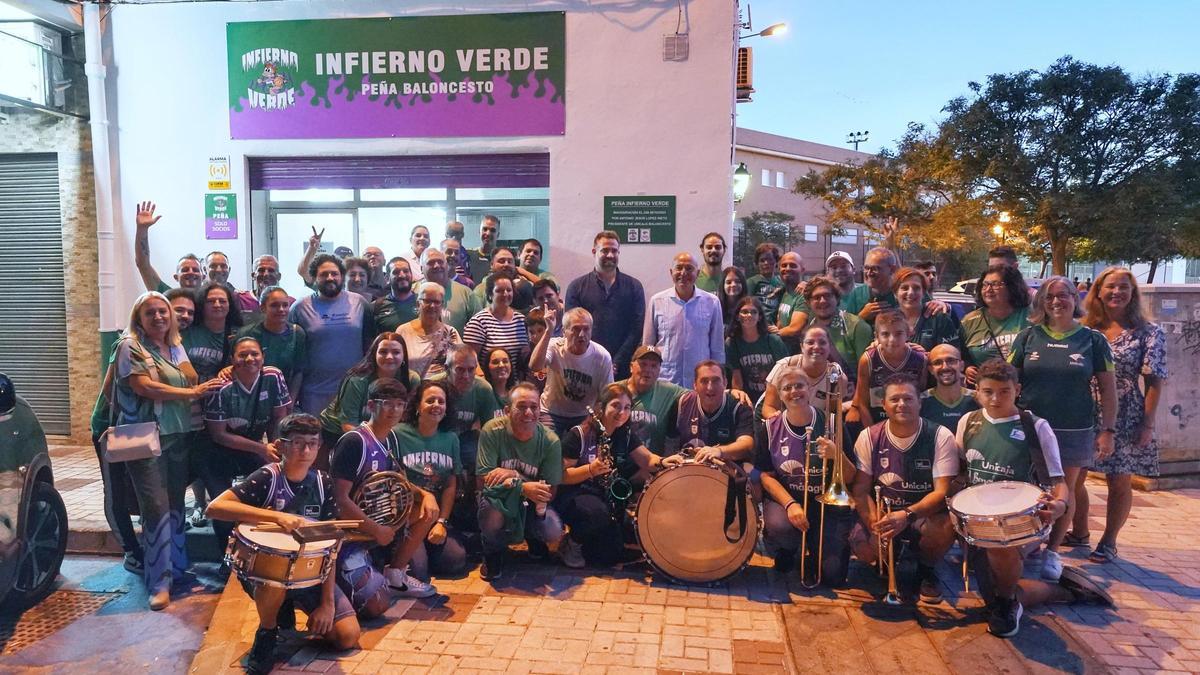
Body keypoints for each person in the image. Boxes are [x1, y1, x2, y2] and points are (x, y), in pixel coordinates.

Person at [954, 359, 1112, 638]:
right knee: (995, 577)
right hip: (978, 520)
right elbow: (960, 471)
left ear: (1018, 389)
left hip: (1020, 522)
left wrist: (1060, 505)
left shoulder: (1035, 427)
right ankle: (1014, 595)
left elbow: (1059, 482)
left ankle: (1048, 595)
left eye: (1004, 391)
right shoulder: (968, 421)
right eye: (987, 391)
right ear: (976, 390)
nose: (995, 398)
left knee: (1000, 558)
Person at [206, 413, 360, 674]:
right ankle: (266, 632)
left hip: (312, 572)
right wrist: (278, 516)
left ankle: (286, 608)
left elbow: (331, 545)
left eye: (313, 442)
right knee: (276, 575)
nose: (306, 449)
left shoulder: (323, 483)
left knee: (347, 636)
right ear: (282, 445)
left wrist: (327, 605)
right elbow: (215, 507)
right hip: (266, 574)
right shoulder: (267, 476)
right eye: (298, 442)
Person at [111, 292, 222, 609]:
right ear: (139, 318)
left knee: (175, 506)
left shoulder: (174, 346)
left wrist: (195, 384)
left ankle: (177, 570)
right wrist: (194, 391)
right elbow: (144, 386)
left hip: (178, 436)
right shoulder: (129, 347)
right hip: (147, 438)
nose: (159, 317)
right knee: (155, 509)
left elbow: (190, 376)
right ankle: (158, 582)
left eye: (164, 311)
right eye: (151, 313)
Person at [1008, 276, 1117, 581]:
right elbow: (1008, 379)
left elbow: (1109, 391)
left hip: (1074, 428)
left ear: (1075, 298)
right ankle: (1023, 545)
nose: (1057, 301)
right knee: (1025, 489)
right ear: (1041, 302)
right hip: (1030, 426)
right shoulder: (1027, 337)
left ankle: (1052, 551)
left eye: (1064, 295)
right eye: (1050, 296)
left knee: (1062, 492)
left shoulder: (1093, 340)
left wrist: (1108, 430)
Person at [1078, 266, 1167, 563]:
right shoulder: (1084, 329)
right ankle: (1079, 531)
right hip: (1082, 410)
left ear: (1133, 293)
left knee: (1118, 479)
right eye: (1110, 287)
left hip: (1126, 411)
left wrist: (1147, 423)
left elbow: (1154, 380)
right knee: (1075, 476)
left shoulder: (1149, 332)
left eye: (1123, 287)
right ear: (1098, 292)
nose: (1117, 292)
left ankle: (1109, 541)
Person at [330, 379, 439, 611]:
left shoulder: (388, 438)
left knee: (426, 509)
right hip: (350, 534)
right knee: (377, 607)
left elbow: (396, 480)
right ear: (371, 406)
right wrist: (375, 529)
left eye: (400, 405)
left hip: (377, 520)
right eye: (387, 404)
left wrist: (426, 495)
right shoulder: (354, 442)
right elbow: (340, 500)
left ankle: (395, 575)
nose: (394, 410)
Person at [850, 375, 959, 603]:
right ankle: (885, 560)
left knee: (946, 526)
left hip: (920, 515)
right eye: (895, 399)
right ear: (884, 404)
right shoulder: (868, 437)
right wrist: (875, 523)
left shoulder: (940, 436)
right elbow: (860, 490)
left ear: (919, 402)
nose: (901, 404)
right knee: (862, 546)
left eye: (908, 399)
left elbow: (941, 493)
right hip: (884, 514)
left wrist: (907, 516)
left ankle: (926, 569)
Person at [557, 383, 684, 567]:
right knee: (597, 515)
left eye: (627, 407)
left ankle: (591, 542)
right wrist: (591, 469)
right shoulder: (579, 434)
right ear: (601, 407)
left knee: (613, 550)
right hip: (575, 494)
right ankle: (571, 543)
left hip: (603, 495)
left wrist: (665, 462)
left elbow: (647, 459)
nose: (622, 412)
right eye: (616, 405)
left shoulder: (625, 433)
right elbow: (562, 475)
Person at [757, 367, 855, 586]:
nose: (794, 391)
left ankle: (814, 551)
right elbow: (766, 475)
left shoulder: (831, 422)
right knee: (780, 526)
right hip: (789, 499)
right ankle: (789, 548)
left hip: (826, 504)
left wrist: (836, 455)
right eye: (787, 388)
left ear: (809, 389)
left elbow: (850, 477)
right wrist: (790, 504)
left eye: (799, 385)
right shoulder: (770, 428)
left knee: (833, 576)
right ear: (780, 395)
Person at [202, 337, 291, 546]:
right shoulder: (221, 387)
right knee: (223, 505)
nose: (250, 359)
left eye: (255, 354)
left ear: (263, 356)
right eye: (242, 355)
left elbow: (279, 416)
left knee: (271, 492)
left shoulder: (273, 376)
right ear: (232, 359)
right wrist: (262, 448)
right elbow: (218, 435)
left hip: (252, 447)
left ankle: (262, 552)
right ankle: (226, 558)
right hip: (216, 452)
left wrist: (276, 446)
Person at [476, 383, 564, 581]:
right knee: (491, 510)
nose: (528, 413)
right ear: (507, 410)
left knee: (553, 529)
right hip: (498, 501)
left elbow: (551, 492)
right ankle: (492, 552)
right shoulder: (492, 431)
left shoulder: (550, 441)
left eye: (534, 407)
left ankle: (533, 538)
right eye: (522, 406)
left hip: (532, 506)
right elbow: (483, 482)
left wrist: (512, 477)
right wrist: (524, 486)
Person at [393, 380, 468, 579]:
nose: (436, 405)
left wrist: (442, 522)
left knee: (456, 560)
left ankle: (428, 550)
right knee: (418, 573)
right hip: (409, 514)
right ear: (418, 406)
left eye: (441, 402)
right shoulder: (398, 434)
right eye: (430, 400)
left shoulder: (451, 438)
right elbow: (394, 478)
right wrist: (424, 495)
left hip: (435, 515)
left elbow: (450, 485)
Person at [289, 254, 374, 414]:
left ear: (342, 276)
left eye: (334, 273)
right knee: (314, 437)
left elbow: (369, 346)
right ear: (314, 277)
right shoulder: (299, 308)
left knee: (350, 437)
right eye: (323, 274)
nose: (330, 278)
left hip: (354, 390)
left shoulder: (360, 303)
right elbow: (294, 355)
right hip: (314, 392)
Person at [564, 231, 645, 380]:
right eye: (605, 250)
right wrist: (593, 358)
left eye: (614, 251)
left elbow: (636, 329)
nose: (610, 255)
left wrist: (616, 362)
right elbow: (572, 329)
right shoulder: (576, 287)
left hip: (623, 368)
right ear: (594, 252)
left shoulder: (634, 287)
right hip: (585, 365)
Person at [318, 332, 419, 452]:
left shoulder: (412, 380)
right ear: (374, 354)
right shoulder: (357, 380)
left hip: (380, 433)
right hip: (339, 432)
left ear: (404, 356)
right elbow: (347, 425)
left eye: (396, 352)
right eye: (383, 352)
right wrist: (377, 447)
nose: (389, 357)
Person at [434, 345, 501, 524]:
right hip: (436, 439)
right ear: (448, 370)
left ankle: (474, 512)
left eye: (471, 370)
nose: (466, 376)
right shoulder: (433, 386)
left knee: (480, 458)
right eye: (460, 370)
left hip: (464, 438)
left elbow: (491, 429)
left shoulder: (483, 389)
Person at [529, 308, 614, 436]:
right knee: (548, 443)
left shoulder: (602, 356)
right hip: (552, 412)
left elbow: (606, 397)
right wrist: (548, 331)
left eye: (586, 329)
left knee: (579, 448)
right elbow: (535, 366)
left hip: (583, 415)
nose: (581, 335)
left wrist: (589, 421)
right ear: (564, 331)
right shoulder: (554, 346)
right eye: (576, 329)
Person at [645, 252, 724, 388]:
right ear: (671, 272)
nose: (683, 273)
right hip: (665, 381)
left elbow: (717, 348)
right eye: (679, 268)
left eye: (689, 268)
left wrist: (718, 381)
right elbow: (648, 346)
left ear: (697, 273)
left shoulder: (712, 302)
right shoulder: (656, 301)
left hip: (700, 383)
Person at [849, 310, 928, 426]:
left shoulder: (920, 360)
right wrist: (870, 433)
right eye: (885, 334)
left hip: (908, 421)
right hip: (877, 419)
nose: (892, 340)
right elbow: (863, 402)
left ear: (908, 333)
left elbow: (920, 398)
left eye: (898, 333)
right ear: (876, 336)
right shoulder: (868, 360)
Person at [666, 361, 754, 462]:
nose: (710, 387)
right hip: (687, 470)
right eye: (704, 381)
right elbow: (669, 445)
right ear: (695, 385)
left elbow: (747, 444)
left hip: (726, 470)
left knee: (751, 473)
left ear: (725, 383)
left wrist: (719, 451)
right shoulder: (682, 404)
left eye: (716, 380)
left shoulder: (739, 406)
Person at [960, 264, 1032, 386]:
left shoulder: (1032, 315)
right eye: (985, 284)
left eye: (995, 284)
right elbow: (961, 355)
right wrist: (967, 368)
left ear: (1012, 286)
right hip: (987, 392)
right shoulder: (969, 321)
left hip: (1024, 391)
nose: (988, 289)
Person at [760, 325, 846, 420]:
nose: (816, 347)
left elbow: (830, 415)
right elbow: (768, 407)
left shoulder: (837, 378)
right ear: (802, 346)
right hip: (778, 420)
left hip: (810, 424)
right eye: (810, 342)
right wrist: (782, 425)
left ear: (829, 346)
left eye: (822, 342)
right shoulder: (784, 366)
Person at [798, 277, 873, 382]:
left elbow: (867, 371)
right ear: (808, 303)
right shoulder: (809, 329)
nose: (823, 301)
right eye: (817, 297)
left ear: (837, 298)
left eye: (827, 296)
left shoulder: (858, 326)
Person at [618, 346, 686, 456]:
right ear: (631, 367)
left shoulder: (668, 391)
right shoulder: (615, 391)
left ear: (659, 370)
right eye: (643, 364)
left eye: (654, 366)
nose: (648, 370)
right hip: (619, 464)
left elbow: (698, 395)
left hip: (653, 465)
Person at [238, 287, 307, 394]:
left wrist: (291, 401)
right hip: (251, 395)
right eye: (274, 305)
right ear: (263, 308)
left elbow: (298, 372)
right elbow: (236, 369)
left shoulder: (297, 333)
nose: (281, 309)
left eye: (285, 305)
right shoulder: (247, 334)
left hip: (284, 397)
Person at [463, 270, 529, 377]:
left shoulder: (521, 320)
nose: (505, 294)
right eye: (499, 290)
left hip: (517, 386)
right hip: (490, 385)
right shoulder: (479, 322)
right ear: (490, 294)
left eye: (509, 290)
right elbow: (470, 361)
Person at [725, 297, 789, 402]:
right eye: (744, 312)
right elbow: (737, 379)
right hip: (750, 398)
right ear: (737, 316)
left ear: (759, 317)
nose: (749, 315)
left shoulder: (773, 340)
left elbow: (785, 372)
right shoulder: (732, 343)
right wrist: (741, 403)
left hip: (774, 396)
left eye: (754, 312)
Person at [131, 201, 204, 293]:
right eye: (185, 270)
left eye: (195, 270)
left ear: (203, 276)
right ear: (176, 277)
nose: (190, 272)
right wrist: (142, 229)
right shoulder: (167, 296)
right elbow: (143, 265)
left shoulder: (211, 301)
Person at [397, 283, 461, 379]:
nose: (432, 306)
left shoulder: (450, 333)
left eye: (436, 302)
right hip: (412, 391)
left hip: (443, 391)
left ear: (442, 305)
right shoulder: (403, 331)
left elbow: (461, 362)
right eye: (427, 301)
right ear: (418, 304)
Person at [894, 266, 962, 351]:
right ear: (895, 293)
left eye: (916, 288)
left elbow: (954, 354)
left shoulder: (939, 319)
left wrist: (924, 356)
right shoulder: (889, 320)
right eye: (904, 288)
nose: (910, 292)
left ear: (923, 292)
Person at [419, 248, 482, 335]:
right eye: (431, 262)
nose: (437, 265)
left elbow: (479, 329)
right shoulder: (414, 292)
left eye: (441, 262)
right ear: (421, 268)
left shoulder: (465, 293)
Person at [920, 344, 978, 432]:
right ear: (931, 369)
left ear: (962, 365)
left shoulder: (978, 399)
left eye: (951, 361)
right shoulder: (921, 402)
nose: (945, 367)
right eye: (938, 363)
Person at [372, 257, 418, 335]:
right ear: (387, 278)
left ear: (411, 275)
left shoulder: (423, 302)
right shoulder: (376, 307)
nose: (402, 275)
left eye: (406, 271)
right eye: (396, 272)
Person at [773, 252, 808, 348]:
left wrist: (768, 337)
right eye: (784, 265)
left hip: (795, 355)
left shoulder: (804, 294)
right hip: (781, 351)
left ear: (802, 270)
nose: (787, 268)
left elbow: (794, 329)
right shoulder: (784, 292)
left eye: (793, 265)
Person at [745, 243, 784, 324]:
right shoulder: (752, 282)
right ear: (757, 263)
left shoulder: (781, 283)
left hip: (776, 326)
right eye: (762, 260)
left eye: (770, 259)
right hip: (758, 324)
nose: (766, 263)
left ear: (776, 262)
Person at [481, 346, 517, 414]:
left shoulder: (517, 395)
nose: (501, 365)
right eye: (495, 362)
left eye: (505, 361)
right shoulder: (482, 394)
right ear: (487, 367)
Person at [467, 215, 500, 283]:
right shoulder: (467, 255)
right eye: (485, 229)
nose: (488, 233)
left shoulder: (503, 258)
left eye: (492, 230)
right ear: (479, 232)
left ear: (498, 235)